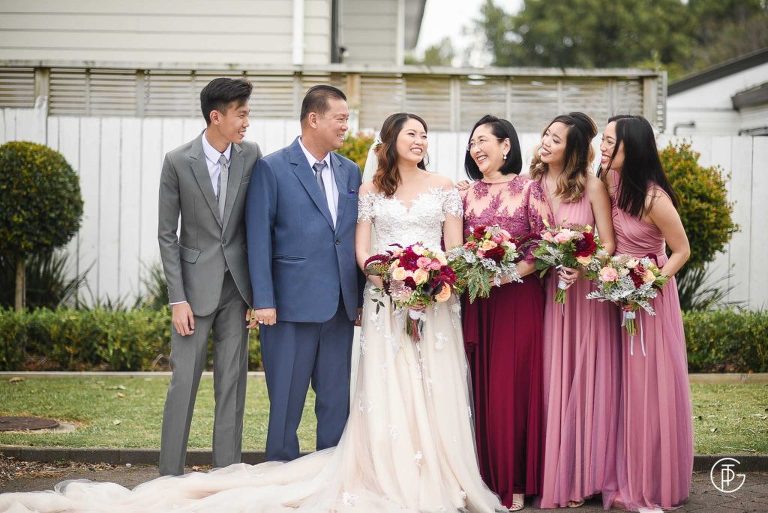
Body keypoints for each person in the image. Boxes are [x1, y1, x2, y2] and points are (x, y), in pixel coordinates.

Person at [0, 113, 507, 513]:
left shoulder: (410, 181)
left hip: (415, 302)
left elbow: (453, 248)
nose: (420, 139)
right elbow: (334, 244)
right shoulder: (347, 182)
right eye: (411, 132)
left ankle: (434, 474)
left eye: (425, 133)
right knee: (348, 393)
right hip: (372, 297)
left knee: (399, 391)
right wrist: (387, 280)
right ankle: (327, 468)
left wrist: (430, 282)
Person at [246, 84, 363, 462]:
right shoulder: (271, 168)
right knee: (285, 404)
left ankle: (330, 477)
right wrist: (262, 300)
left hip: (340, 308)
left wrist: (358, 298)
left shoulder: (351, 172)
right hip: (289, 308)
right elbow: (258, 238)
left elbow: (351, 237)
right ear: (314, 118)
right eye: (340, 119)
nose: (346, 127)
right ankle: (280, 475)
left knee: (335, 403)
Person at [157, 77, 262, 476]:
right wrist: (176, 299)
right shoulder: (177, 161)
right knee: (183, 382)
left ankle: (227, 475)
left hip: (236, 290)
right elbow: (167, 235)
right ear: (216, 116)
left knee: (232, 385)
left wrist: (259, 294)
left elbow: (255, 225)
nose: (247, 121)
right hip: (192, 293)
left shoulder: (251, 155)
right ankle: (168, 475)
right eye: (242, 114)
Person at [599, 115, 693, 512]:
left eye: (609, 142)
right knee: (621, 384)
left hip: (649, 296)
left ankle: (650, 477)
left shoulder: (655, 198)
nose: (602, 148)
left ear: (630, 148)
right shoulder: (607, 179)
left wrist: (646, 285)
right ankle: (621, 468)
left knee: (647, 385)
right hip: (616, 289)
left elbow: (682, 251)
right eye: (602, 140)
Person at [460, 115, 553, 511]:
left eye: (482, 140)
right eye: (471, 143)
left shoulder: (531, 189)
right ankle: (482, 477)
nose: (475, 148)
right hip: (479, 302)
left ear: (506, 146)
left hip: (519, 300)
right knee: (480, 387)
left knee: (513, 386)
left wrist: (510, 273)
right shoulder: (465, 194)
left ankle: (515, 480)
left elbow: (547, 244)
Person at [529, 113, 621, 509]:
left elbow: (608, 243)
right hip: (542, 293)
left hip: (582, 298)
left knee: (583, 382)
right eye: (546, 135)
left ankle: (585, 476)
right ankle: (549, 473)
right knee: (549, 378)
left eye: (556, 139)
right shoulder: (529, 185)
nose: (546, 142)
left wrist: (583, 262)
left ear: (574, 149)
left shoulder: (592, 186)